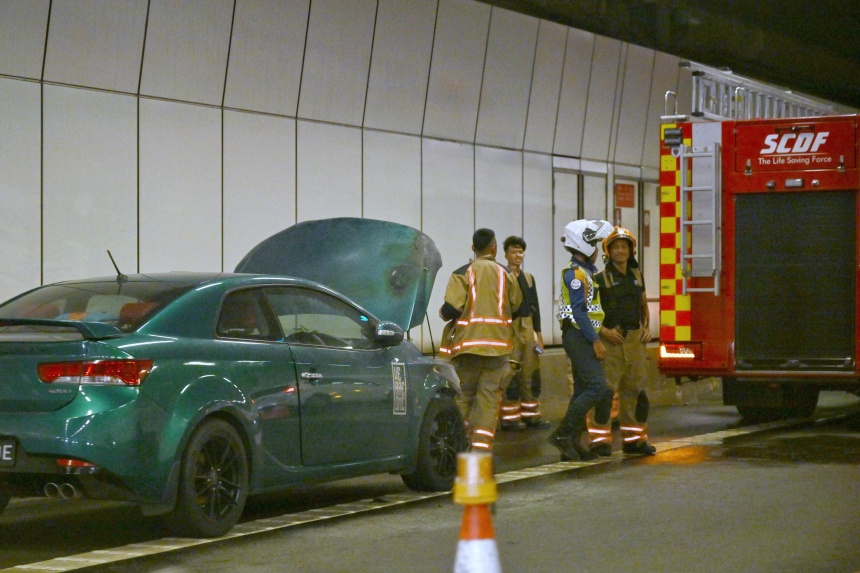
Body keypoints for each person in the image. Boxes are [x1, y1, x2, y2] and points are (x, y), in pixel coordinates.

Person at [439, 228, 522, 451]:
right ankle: (480, 450)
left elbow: (451, 308)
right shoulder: (507, 274)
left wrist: (442, 313)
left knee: (463, 397)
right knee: (488, 400)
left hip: (467, 350)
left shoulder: (462, 272)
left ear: (473, 248)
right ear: (494, 247)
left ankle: (456, 446)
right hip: (498, 352)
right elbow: (517, 306)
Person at [547, 219, 615, 461]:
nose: (597, 249)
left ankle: (571, 443)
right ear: (584, 245)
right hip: (577, 334)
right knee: (598, 387)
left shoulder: (585, 272)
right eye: (594, 243)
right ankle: (563, 434)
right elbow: (578, 310)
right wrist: (595, 340)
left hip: (580, 334)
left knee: (583, 389)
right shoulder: (575, 274)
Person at [588, 227, 657, 456]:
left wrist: (647, 328)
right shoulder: (598, 279)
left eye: (624, 246)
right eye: (615, 246)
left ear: (631, 250)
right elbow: (588, 311)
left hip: (635, 341)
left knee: (636, 392)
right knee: (605, 393)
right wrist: (604, 331)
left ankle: (635, 441)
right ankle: (599, 441)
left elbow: (643, 306)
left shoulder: (637, 276)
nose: (620, 250)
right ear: (607, 251)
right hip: (611, 342)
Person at [499, 236, 550, 430]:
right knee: (510, 373)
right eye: (513, 252)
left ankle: (531, 416)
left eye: (520, 252)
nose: (517, 255)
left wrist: (539, 335)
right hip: (510, 328)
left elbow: (534, 306)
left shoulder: (528, 277)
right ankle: (510, 418)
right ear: (506, 254)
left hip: (528, 328)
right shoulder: (502, 276)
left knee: (531, 372)